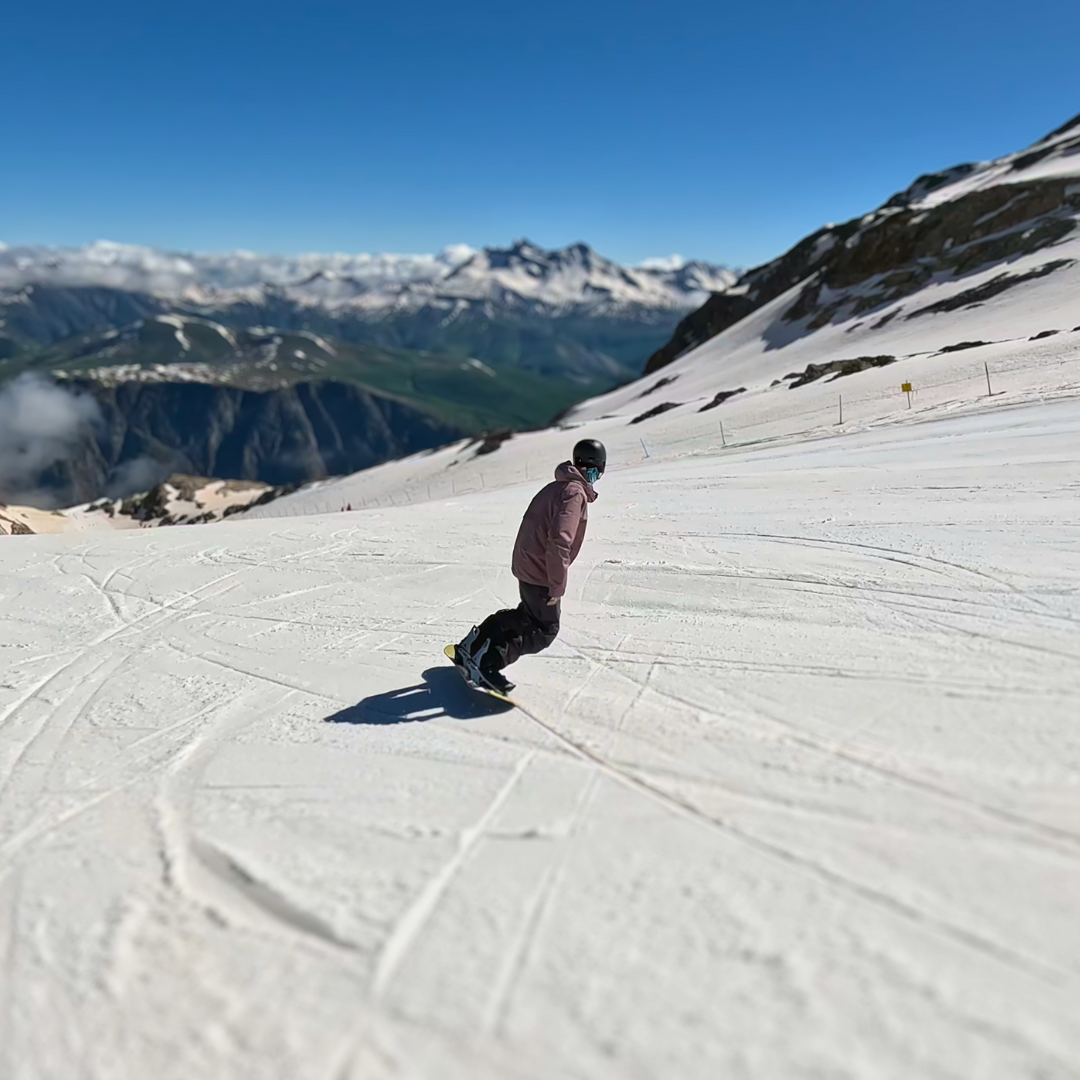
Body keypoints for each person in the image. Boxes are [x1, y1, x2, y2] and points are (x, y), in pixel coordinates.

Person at [452, 439, 606, 694]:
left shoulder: (557, 486)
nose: (594, 477)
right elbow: (560, 541)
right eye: (595, 472)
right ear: (595, 469)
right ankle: (488, 663)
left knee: (526, 616)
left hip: (528, 563)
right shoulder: (574, 493)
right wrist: (556, 585)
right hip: (541, 570)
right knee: (544, 630)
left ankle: (475, 642)